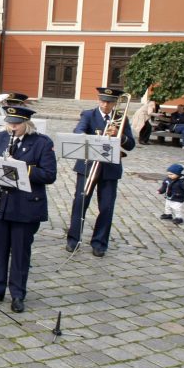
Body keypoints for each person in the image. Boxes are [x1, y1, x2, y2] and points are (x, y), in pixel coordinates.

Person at [0, 105, 57, 313]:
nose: (12, 127)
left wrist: (21, 167)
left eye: (16, 124)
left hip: (25, 206)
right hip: (0, 204)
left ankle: (17, 294)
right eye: (9, 123)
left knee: (20, 252)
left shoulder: (42, 143)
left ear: (26, 124)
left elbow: (49, 175)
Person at [66, 87, 136, 257]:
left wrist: (120, 137)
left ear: (114, 103)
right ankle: (73, 239)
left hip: (110, 168)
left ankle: (99, 243)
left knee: (106, 207)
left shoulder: (120, 118)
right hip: (88, 165)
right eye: (103, 101)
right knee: (80, 203)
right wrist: (94, 139)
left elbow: (131, 144)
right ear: (99, 100)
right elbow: (79, 131)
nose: (106, 105)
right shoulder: (89, 115)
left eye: (110, 102)